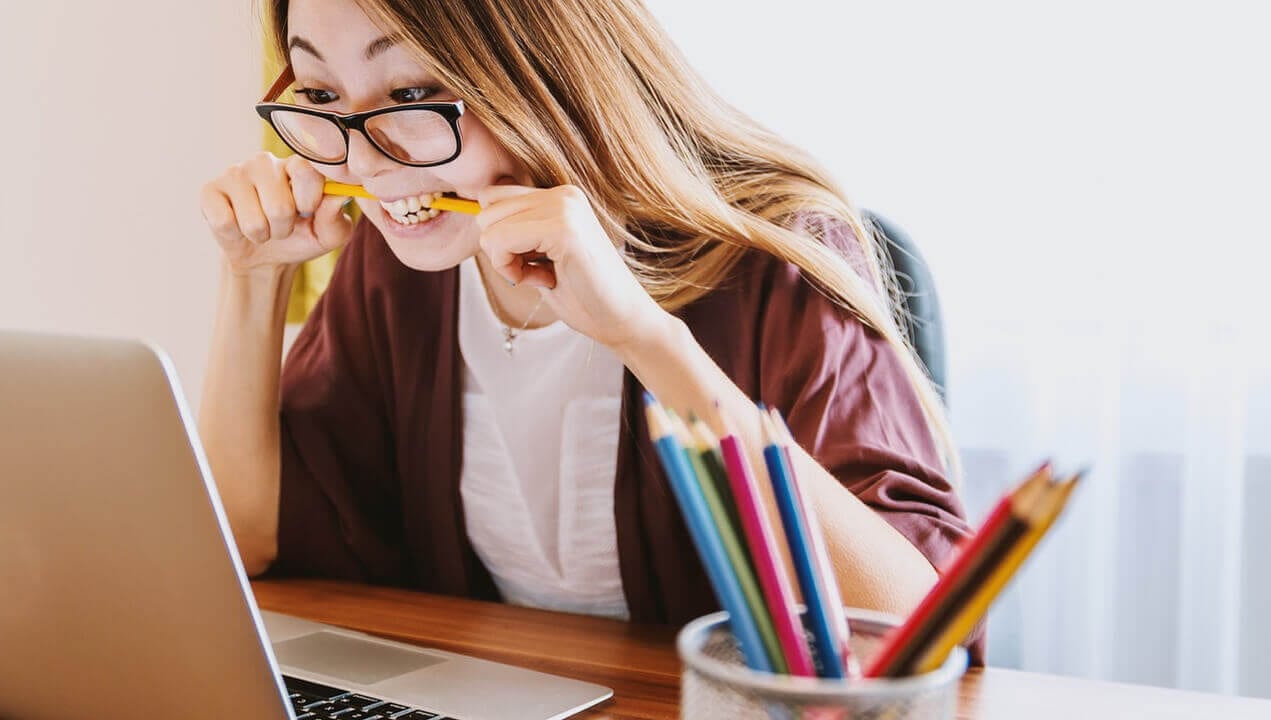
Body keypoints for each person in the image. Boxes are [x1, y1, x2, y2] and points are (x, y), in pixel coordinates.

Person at [198, 0, 978, 656]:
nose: (367, 163)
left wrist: (645, 336)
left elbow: (912, 630)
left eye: (411, 92)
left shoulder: (775, 259)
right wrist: (255, 277)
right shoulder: (397, 268)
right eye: (324, 95)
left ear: (543, 73)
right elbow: (248, 537)